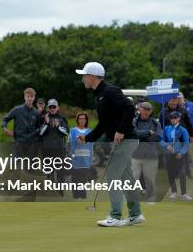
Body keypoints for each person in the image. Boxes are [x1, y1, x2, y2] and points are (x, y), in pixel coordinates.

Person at [75, 62, 143, 227]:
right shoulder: (99, 95)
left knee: (112, 176)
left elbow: (130, 108)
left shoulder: (110, 91)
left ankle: (115, 216)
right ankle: (135, 214)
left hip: (126, 139)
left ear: (92, 77)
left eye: (84, 75)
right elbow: (104, 124)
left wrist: (120, 130)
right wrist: (88, 138)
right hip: (123, 139)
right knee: (127, 178)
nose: (83, 78)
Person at [131, 102, 162, 204]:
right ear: (140, 110)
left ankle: (151, 199)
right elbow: (134, 134)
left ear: (151, 111)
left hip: (151, 155)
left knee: (150, 179)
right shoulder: (134, 121)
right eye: (144, 110)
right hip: (135, 154)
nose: (146, 112)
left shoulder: (156, 123)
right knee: (133, 178)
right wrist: (149, 132)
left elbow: (158, 137)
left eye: (148, 111)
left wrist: (142, 136)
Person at [160, 111, 192, 201]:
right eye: (171, 118)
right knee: (170, 174)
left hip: (179, 155)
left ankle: (184, 193)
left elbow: (186, 144)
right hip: (169, 155)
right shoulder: (166, 129)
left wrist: (181, 152)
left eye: (175, 118)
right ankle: (174, 192)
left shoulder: (183, 130)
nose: (173, 120)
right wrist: (167, 145)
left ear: (178, 118)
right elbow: (161, 141)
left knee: (182, 174)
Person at [38, 99, 69, 189]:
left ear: (57, 107)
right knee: (48, 171)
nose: (52, 109)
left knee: (60, 171)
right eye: (50, 107)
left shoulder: (62, 119)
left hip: (60, 149)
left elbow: (67, 132)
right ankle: (50, 190)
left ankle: (60, 190)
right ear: (48, 108)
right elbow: (40, 133)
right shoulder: (44, 118)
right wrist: (47, 123)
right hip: (47, 149)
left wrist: (59, 126)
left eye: (54, 107)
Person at [1, 88, 40, 159]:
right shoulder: (17, 109)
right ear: (24, 97)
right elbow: (5, 119)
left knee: (30, 167)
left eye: (32, 96)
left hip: (32, 144)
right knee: (16, 166)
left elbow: (39, 127)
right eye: (28, 96)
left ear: (34, 98)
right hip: (18, 142)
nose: (30, 98)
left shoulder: (36, 112)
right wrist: (4, 128)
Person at [69, 113, 93, 199]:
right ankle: (75, 196)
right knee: (75, 179)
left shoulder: (90, 131)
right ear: (77, 120)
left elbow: (91, 146)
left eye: (84, 119)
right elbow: (70, 144)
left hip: (86, 160)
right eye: (80, 118)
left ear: (86, 120)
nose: (82, 120)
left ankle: (83, 196)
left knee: (83, 180)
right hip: (76, 159)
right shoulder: (73, 130)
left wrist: (91, 160)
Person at [179, 92, 193, 170]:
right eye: (178, 98)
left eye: (180, 97)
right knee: (187, 148)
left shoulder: (192, 105)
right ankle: (189, 164)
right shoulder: (177, 108)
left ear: (183, 97)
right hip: (185, 131)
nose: (179, 99)